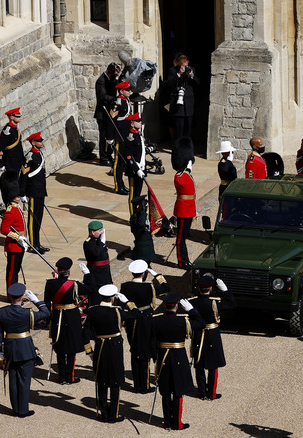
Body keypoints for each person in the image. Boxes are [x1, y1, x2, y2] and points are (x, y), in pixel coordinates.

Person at [82, 284, 141, 422]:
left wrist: (89, 351)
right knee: (115, 382)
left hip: (100, 347)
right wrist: (128, 302)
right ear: (113, 299)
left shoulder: (92, 311)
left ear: (101, 297)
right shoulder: (118, 311)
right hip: (114, 348)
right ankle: (113, 414)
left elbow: (84, 332)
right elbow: (137, 314)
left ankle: (104, 414)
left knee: (102, 381)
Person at [151, 293, 206, 430]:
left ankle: (167, 423)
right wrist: (191, 310)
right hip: (178, 357)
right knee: (177, 391)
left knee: (165, 392)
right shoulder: (183, 321)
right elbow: (201, 323)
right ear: (176, 306)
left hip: (163, 356)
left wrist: (155, 356)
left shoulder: (156, 320)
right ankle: (177, 423)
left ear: (165, 305)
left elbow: (151, 340)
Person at [0, 283, 50, 417]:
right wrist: (36, 301)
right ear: (22, 297)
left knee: (13, 380)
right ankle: (23, 410)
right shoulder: (27, 313)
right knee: (24, 381)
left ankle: (15, 408)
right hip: (25, 349)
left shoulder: (2, 311)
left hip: (10, 349)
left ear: (10, 296)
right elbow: (46, 313)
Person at [119, 260, 170, 393]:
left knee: (135, 350)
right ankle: (145, 385)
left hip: (132, 321)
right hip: (146, 320)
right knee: (146, 350)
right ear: (143, 274)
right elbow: (166, 287)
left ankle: (137, 385)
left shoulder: (125, 286)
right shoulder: (149, 287)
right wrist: (157, 275)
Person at [43, 257, 90, 385]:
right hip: (72, 317)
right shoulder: (74, 284)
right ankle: (70, 377)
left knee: (60, 347)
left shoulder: (50, 283)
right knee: (71, 349)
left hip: (57, 316)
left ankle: (61, 377)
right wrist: (87, 275)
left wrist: (49, 318)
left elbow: (47, 302)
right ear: (68, 272)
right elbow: (90, 289)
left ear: (57, 271)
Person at [190, 276, 236, 401]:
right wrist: (225, 290)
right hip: (212, 334)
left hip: (198, 334)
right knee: (212, 365)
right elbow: (232, 304)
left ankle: (201, 392)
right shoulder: (214, 302)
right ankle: (211, 393)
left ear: (199, 288)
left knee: (199, 364)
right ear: (210, 289)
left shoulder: (192, 302)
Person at [0, 170, 29, 290]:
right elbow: (4, 229)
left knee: (16, 271)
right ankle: (11, 295)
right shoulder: (10, 210)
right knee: (12, 273)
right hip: (14, 245)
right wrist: (18, 237)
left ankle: (16, 294)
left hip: (21, 243)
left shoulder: (16, 207)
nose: (18, 196)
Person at [172, 137, 196, 270]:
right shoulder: (180, 175)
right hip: (182, 210)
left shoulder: (185, 174)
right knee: (180, 239)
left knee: (184, 237)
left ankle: (186, 260)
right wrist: (187, 169)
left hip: (189, 209)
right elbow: (181, 182)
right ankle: (182, 262)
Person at [23, 132, 49, 254]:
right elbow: (23, 176)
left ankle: (37, 243)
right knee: (33, 219)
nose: (41, 143)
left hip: (40, 190)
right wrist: (23, 193)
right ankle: (32, 245)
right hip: (33, 191)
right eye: (39, 141)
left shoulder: (39, 154)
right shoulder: (30, 156)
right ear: (33, 143)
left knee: (39, 218)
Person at [166, 53, 200, 141]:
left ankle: (187, 148)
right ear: (179, 64)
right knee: (179, 128)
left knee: (188, 128)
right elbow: (170, 84)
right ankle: (177, 147)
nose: (185, 67)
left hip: (188, 104)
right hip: (178, 104)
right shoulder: (173, 71)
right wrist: (179, 74)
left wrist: (191, 76)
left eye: (186, 64)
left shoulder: (191, 70)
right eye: (183, 64)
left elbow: (197, 83)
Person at [108, 81, 133, 195]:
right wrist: (110, 137)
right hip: (119, 135)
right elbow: (111, 121)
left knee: (123, 162)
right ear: (121, 91)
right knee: (118, 162)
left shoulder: (126, 101)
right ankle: (118, 186)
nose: (129, 91)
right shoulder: (116, 103)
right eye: (127, 90)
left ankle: (122, 184)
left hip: (125, 133)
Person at [0, 108, 26, 196]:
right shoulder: (7, 130)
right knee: (12, 183)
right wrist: (0, 163)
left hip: (17, 160)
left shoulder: (15, 129)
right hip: (10, 161)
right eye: (17, 116)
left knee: (16, 181)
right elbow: (0, 148)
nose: (20, 117)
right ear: (12, 117)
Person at [95, 62, 120, 166]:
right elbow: (103, 97)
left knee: (110, 135)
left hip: (110, 112)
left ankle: (109, 155)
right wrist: (115, 99)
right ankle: (103, 158)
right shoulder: (101, 81)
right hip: (102, 113)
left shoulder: (111, 79)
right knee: (103, 136)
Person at [123, 112, 147, 215]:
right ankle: (133, 216)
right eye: (138, 121)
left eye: (140, 120)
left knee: (138, 193)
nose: (140, 122)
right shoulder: (130, 136)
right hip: (134, 170)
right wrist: (137, 170)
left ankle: (137, 213)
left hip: (141, 168)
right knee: (133, 195)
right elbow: (128, 156)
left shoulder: (138, 134)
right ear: (132, 124)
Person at [83, 220, 113, 294]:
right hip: (97, 273)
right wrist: (102, 242)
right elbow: (96, 253)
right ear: (93, 232)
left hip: (104, 271)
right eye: (99, 231)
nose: (102, 233)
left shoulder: (98, 241)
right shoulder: (88, 243)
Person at [130, 195, 156, 264]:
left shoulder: (145, 215)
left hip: (148, 246)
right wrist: (143, 212)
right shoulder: (135, 217)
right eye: (136, 205)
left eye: (139, 204)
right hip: (141, 247)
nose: (137, 207)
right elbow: (141, 225)